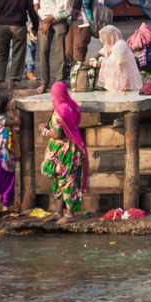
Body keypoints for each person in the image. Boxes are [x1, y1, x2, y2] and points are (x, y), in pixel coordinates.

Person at [42, 81, 89, 221]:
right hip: (63, 151)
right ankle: (58, 212)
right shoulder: (72, 107)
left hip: (66, 152)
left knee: (68, 181)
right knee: (58, 181)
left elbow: (57, 134)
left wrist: (44, 131)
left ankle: (69, 214)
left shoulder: (60, 111)